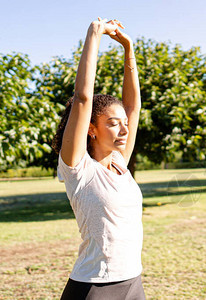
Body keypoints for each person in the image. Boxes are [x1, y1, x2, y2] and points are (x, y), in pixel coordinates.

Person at [52, 18, 145, 299]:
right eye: (113, 123)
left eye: (124, 122)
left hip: (133, 281)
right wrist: (94, 34)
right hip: (94, 287)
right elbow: (82, 98)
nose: (124, 127)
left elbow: (133, 107)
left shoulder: (119, 162)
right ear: (91, 129)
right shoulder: (78, 168)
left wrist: (129, 50)